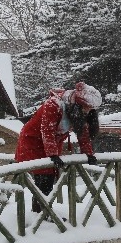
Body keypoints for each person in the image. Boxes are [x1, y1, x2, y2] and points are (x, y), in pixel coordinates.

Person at [15, 82, 101, 213]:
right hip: (33, 142)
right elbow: (46, 130)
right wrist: (52, 154)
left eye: (91, 109)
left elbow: (83, 133)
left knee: (48, 180)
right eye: (86, 108)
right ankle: (41, 213)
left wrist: (89, 154)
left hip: (51, 144)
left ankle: (42, 212)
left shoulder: (76, 111)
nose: (88, 111)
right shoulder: (54, 105)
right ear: (77, 104)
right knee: (44, 180)